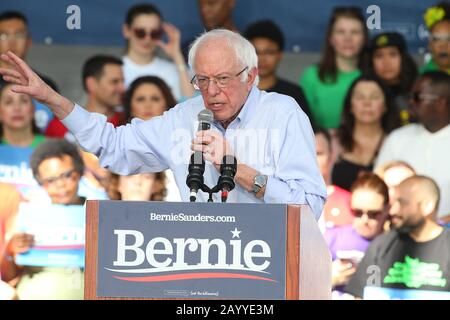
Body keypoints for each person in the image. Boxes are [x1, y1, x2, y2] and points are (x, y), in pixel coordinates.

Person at [0, 29, 326, 219]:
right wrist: (51, 98)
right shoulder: (184, 117)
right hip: (204, 270)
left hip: (271, 272)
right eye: (202, 80)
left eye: (223, 79)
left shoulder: (283, 114)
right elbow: (113, 145)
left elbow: (310, 207)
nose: (212, 92)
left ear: (251, 76)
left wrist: (239, 170)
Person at [1, 139, 85, 299]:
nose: (60, 185)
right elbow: (8, 275)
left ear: (80, 172)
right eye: (50, 180)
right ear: (40, 183)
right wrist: (11, 251)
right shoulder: (28, 216)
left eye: (67, 175)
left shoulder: (101, 215)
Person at [345, 175, 450, 299]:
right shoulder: (381, 246)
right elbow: (360, 295)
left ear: (427, 206)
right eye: (393, 203)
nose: (393, 211)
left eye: (402, 202)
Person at [375, 71, 450, 219]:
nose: (410, 102)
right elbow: (376, 189)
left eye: (417, 97)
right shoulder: (398, 138)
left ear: (440, 102)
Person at [300, 6, 367, 129]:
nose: (348, 39)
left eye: (355, 32)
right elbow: (301, 124)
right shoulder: (312, 76)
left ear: (364, 38)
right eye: (341, 32)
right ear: (331, 38)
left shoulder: (374, 75)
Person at [325, 172, 389, 298]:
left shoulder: (396, 243)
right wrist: (328, 279)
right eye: (358, 212)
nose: (365, 220)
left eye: (373, 214)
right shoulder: (332, 238)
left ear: (387, 209)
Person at [332, 75, 401, 191]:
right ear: (350, 105)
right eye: (360, 97)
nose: (367, 103)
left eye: (374, 97)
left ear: (385, 106)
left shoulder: (397, 142)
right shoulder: (332, 140)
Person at [118, 75, 179, 201]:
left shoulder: (183, 145)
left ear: (167, 106)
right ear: (130, 108)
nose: (148, 104)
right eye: (140, 99)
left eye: (155, 99)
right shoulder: (118, 144)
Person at [122, 3, 194, 101]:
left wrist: (177, 56)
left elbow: (192, 105)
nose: (147, 39)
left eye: (154, 33)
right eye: (140, 32)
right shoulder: (115, 71)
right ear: (126, 30)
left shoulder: (175, 70)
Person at [0, 11, 58, 133]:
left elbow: (55, 131)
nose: (12, 42)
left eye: (19, 35)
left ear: (29, 41)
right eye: (3, 35)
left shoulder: (45, 85)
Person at [45, 55, 126, 140]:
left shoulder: (129, 123)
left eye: (123, 81)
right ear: (91, 84)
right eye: (114, 82)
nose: (123, 88)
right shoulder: (60, 125)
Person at [243, 20, 312, 119]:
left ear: (280, 55)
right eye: (256, 52)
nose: (261, 58)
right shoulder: (238, 92)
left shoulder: (294, 93)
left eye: (269, 52)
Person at [364, 32, 418, 125]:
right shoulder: (364, 91)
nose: (386, 62)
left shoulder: (418, 91)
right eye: (379, 56)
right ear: (371, 62)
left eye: (392, 54)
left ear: (403, 58)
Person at [314, 127, 352, 229]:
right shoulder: (282, 201)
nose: (311, 159)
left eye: (318, 153)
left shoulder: (349, 202)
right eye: (305, 153)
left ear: (331, 156)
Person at [0, 80, 44, 148]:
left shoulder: (51, 148)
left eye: (24, 101)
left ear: (33, 109)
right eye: (8, 102)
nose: (17, 108)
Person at [421, 2, 450, 74]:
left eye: (448, 39)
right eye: (436, 39)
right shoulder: (418, 80)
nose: (443, 46)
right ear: (429, 43)